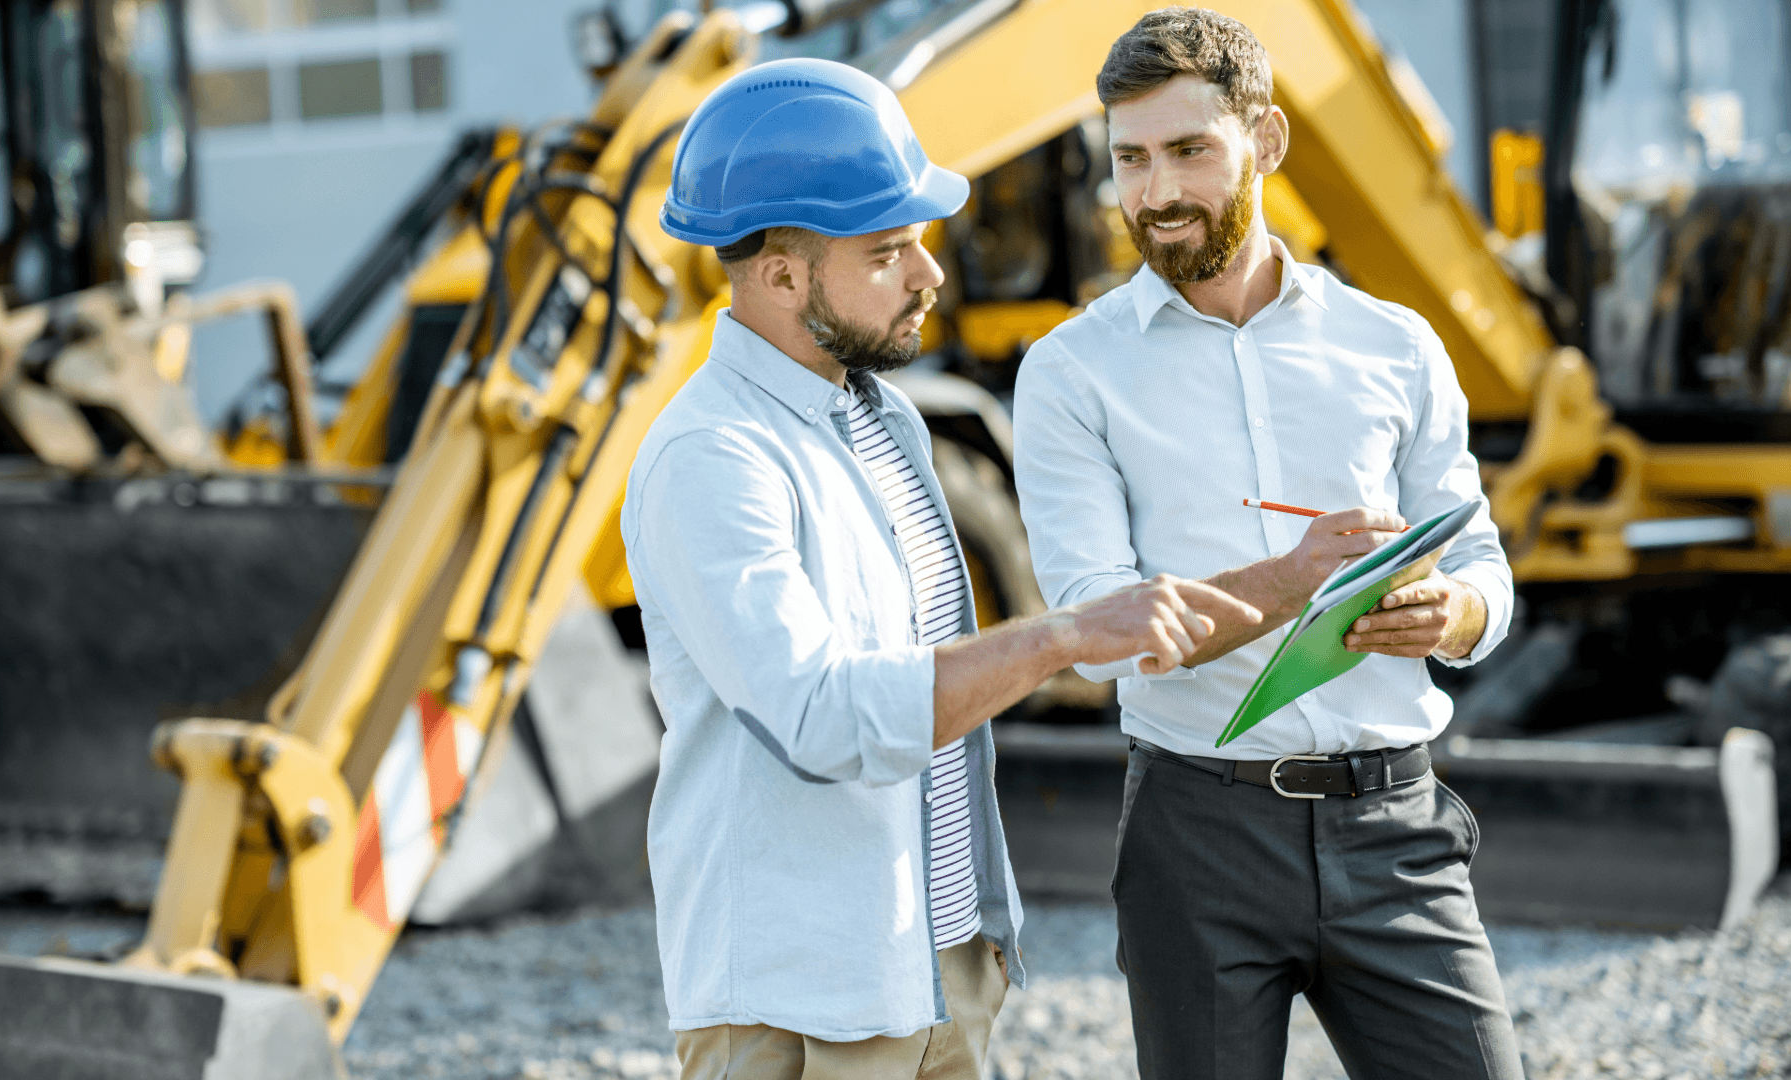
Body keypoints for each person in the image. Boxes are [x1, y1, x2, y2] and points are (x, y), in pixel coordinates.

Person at [624, 57, 1258, 1080]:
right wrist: (1058, 637)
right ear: (782, 275)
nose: (930, 275)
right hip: (804, 1007)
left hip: (936, 963)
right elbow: (823, 719)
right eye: (889, 252)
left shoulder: (887, 424)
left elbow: (925, 687)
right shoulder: (713, 459)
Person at [1011, 9, 1524, 1079]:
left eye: (1190, 150)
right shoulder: (1070, 373)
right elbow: (1100, 633)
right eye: (1132, 160)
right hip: (1197, 834)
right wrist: (1294, 579)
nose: (1157, 195)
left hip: (1398, 828)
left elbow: (1484, 568)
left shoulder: (1398, 346)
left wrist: (1455, 613)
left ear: (1267, 141)